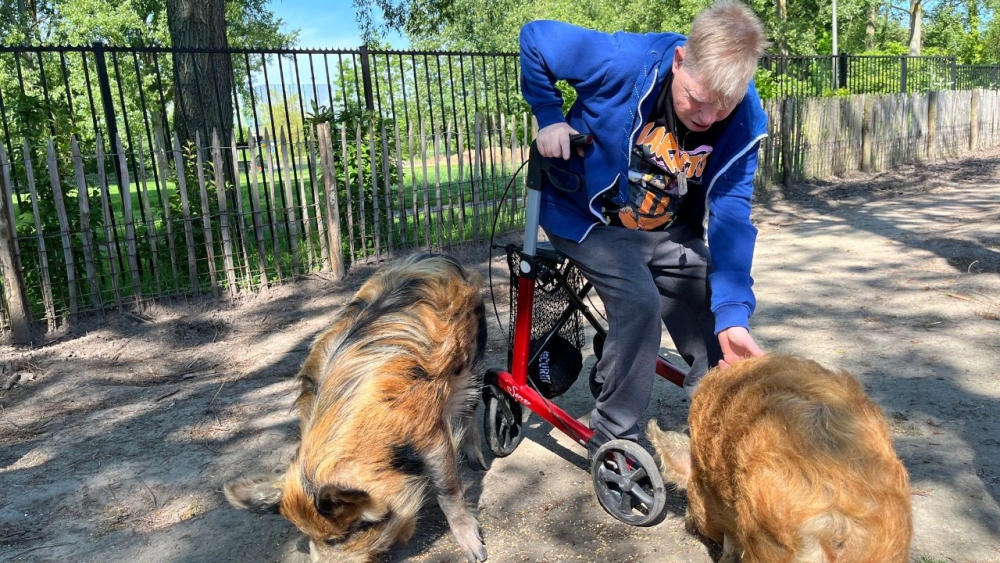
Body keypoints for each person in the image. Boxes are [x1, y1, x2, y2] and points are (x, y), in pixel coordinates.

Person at [519, 1, 770, 453]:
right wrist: (549, 114)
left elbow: (732, 213)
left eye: (724, 105)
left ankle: (719, 425)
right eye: (698, 97)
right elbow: (535, 37)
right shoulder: (624, 60)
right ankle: (615, 436)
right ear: (680, 62)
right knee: (639, 302)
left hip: (667, 230)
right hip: (588, 219)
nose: (708, 118)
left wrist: (734, 316)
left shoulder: (744, 118)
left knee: (714, 308)